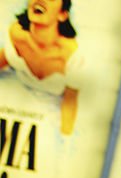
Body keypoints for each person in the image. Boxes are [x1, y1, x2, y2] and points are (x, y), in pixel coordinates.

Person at [0, 0, 84, 135]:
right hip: (16, 106)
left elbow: (70, 104)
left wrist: (64, 137)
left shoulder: (71, 55)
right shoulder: (17, 34)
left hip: (50, 120)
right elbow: (5, 58)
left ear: (62, 15)